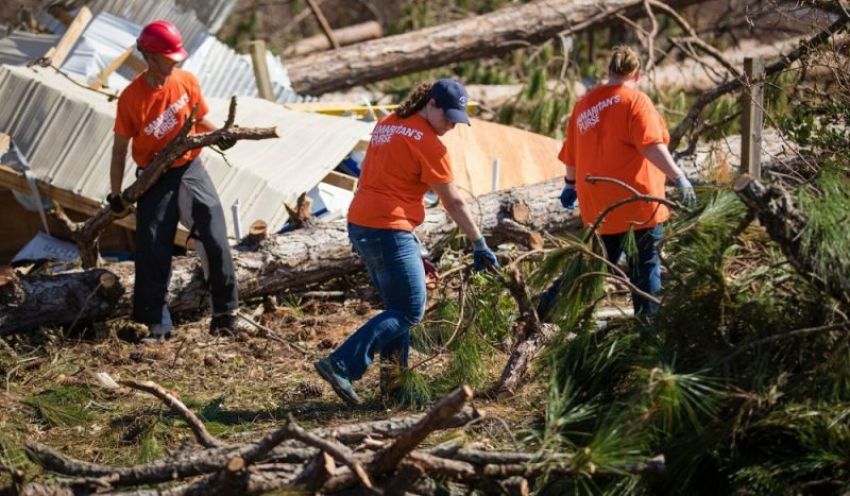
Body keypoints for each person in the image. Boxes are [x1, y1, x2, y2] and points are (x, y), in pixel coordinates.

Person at [314, 79, 499, 406]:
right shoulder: (429, 143)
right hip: (387, 228)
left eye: (458, 120)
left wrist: (410, 246)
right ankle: (341, 363)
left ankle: (395, 389)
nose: (451, 126)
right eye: (449, 118)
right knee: (411, 310)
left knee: (396, 308)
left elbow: (386, 180)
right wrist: (479, 242)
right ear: (431, 104)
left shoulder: (388, 124)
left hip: (362, 224)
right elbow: (453, 202)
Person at [108, 20, 242, 339]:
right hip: (153, 177)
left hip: (190, 167)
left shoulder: (186, 82)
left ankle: (225, 313)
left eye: (176, 58)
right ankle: (154, 324)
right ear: (150, 56)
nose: (174, 63)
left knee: (213, 232)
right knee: (152, 246)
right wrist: (116, 196)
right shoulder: (131, 98)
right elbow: (118, 150)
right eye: (168, 58)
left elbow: (199, 118)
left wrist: (220, 134)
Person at [545, 46, 696, 317]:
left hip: (599, 206)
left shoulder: (583, 105)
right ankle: (646, 334)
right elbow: (651, 146)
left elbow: (572, 152)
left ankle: (544, 310)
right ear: (636, 74)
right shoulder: (636, 101)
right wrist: (679, 177)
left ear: (608, 71)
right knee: (646, 269)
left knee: (591, 267)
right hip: (638, 203)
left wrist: (569, 185)